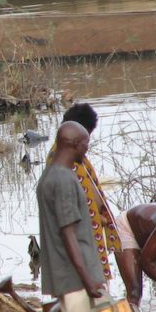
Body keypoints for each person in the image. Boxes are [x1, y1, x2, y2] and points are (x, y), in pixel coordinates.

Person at [37, 121, 119, 312]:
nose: (88, 148)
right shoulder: (62, 180)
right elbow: (68, 234)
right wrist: (88, 280)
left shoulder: (51, 176)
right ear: (74, 144)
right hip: (76, 279)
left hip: (77, 276)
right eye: (86, 144)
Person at [46, 103, 121, 280]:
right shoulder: (63, 158)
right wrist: (99, 218)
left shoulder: (71, 154)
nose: (88, 143)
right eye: (86, 138)